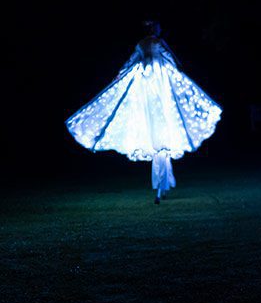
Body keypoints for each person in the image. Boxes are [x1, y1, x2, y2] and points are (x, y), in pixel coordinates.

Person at [66, 21, 222, 203]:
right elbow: (173, 60)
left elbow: (136, 60)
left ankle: (162, 186)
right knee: (160, 141)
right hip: (154, 88)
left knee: (160, 143)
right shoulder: (155, 43)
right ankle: (162, 186)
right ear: (154, 30)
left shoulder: (145, 44)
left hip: (152, 87)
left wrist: (122, 71)